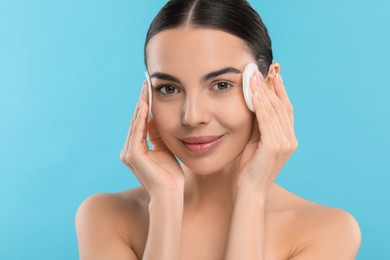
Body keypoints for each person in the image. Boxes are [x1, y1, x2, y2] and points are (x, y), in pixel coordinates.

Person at [75, 0, 361, 259]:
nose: (193, 116)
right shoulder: (105, 217)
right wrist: (165, 203)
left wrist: (251, 194)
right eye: (168, 88)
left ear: (269, 85)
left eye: (221, 85)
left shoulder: (327, 231)